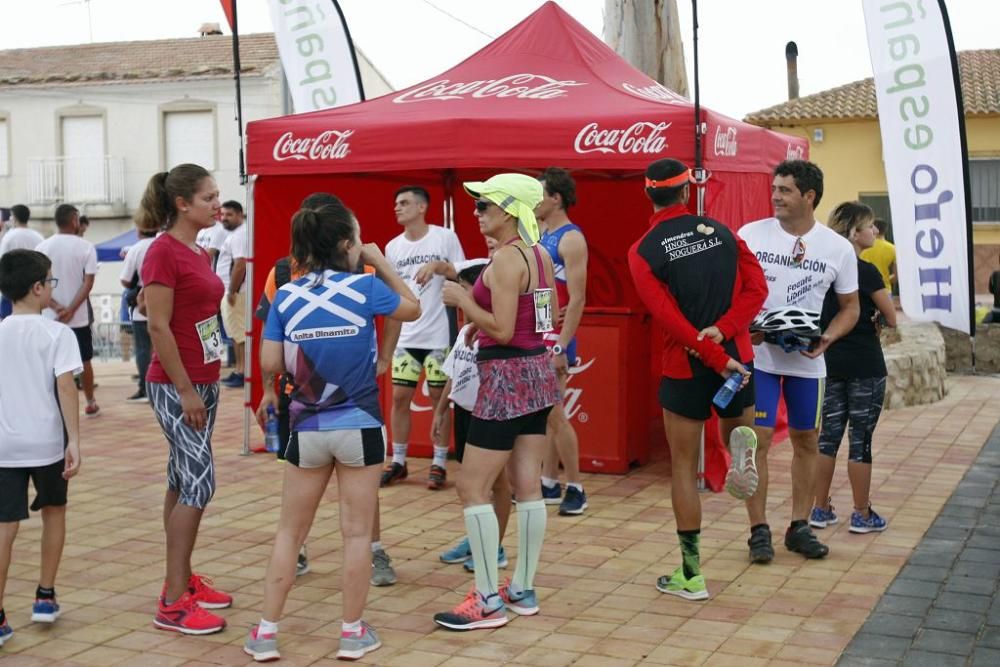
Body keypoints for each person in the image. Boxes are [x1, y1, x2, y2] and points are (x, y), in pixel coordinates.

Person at [244, 203, 420, 662]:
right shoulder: (366, 286)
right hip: (360, 425)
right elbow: (413, 308)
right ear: (347, 244)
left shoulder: (285, 295)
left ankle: (265, 633)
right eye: (358, 238)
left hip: (306, 427)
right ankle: (351, 633)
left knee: (288, 533)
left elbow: (270, 363)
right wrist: (381, 263)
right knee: (357, 535)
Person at [627, 159, 766, 600]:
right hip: (736, 358)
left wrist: (706, 349)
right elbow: (757, 289)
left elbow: (667, 318)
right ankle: (735, 444)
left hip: (686, 366)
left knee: (684, 469)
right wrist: (723, 335)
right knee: (736, 427)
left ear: (648, 195)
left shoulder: (643, 250)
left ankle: (692, 574)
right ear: (687, 192)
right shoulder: (723, 233)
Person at [433, 173, 560, 631]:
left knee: (471, 487)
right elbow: (537, 320)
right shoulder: (540, 254)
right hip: (537, 371)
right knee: (527, 485)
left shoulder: (507, 259)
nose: (477, 212)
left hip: (506, 376)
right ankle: (521, 588)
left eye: (485, 205)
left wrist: (464, 301)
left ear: (509, 210)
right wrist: (481, 322)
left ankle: (487, 599)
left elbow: (504, 329)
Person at [254, 192, 402, 584]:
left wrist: (384, 356)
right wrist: (269, 391)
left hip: (354, 398)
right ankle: (298, 549)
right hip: (301, 401)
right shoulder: (281, 275)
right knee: (301, 484)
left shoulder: (361, 272)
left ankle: (373, 550)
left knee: (361, 483)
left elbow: (398, 313)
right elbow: (269, 336)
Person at [738, 159, 859, 563]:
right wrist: (744, 328)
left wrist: (829, 337)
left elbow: (850, 308)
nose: (775, 196)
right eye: (774, 188)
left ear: (809, 196)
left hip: (809, 362)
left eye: (785, 190)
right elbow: (731, 293)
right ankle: (758, 531)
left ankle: (799, 526)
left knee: (807, 440)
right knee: (757, 440)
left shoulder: (838, 248)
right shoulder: (750, 235)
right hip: (761, 359)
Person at [137, 164, 233, 635]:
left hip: (205, 378)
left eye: (217, 196)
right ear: (182, 204)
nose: (218, 204)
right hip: (179, 385)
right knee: (199, 483)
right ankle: (173, 602)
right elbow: (156, 325)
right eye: (208, 198)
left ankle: (182, 580)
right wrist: (185, 389)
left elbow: (194, 313)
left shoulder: (198, 249)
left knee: (181, 477)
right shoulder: (162, 251)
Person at [0, 250, 82, 647]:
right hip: (48, 442)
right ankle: (45, 596)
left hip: (3, 447)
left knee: (4, 529)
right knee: (54, 512)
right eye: (50, 282)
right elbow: (66, 388)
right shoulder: (58, 334)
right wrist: (76, 441)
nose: (52, 288)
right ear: (37, 289)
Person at [811, 202, 896, 534]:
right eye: (869, 226)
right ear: (853, 233)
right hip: (865, 364)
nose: (874, 231)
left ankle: (819, 509)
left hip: (829, 362)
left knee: (827, 438)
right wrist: (875, 319)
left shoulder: (822, 268)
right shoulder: (865, 271)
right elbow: (890, 317)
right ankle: (861, 514)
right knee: (860, 439)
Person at [383, 185, 466, 490]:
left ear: (422, 207)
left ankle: (439, 462)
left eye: (403, 203)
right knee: (399, 398)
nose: (397, 208)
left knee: (437, 400)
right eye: (395, 203)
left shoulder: (444, 237)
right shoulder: (392, 247)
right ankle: (399, 461)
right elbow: (392, 292)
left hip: (438, 335)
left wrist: (439, 267)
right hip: (406, 335)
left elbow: (463, 273)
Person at [434, 260, 513, 572]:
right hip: (463, 413)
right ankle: (476, 536)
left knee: (498, 484)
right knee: (469, 484)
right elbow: (454, 374)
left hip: (489, 415)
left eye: (466, 292)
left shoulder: (495, 332)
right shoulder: (465, 331)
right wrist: (440, 411)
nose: (461, 299)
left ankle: (495, 547)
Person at [534, 167, 589, 515]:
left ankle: (577, 487)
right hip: (540, 330)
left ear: (556, 198)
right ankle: (549, 482)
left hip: (556, 337)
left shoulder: (571, 238)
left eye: (540, 194)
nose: (534, 200)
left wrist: (559, 345)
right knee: (547, 416)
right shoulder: (541, 233)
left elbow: (579, 298)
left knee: (556, 415)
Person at [36, 204, 100, 418]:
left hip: (49, 315)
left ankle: (52, 404)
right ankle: (90, 402)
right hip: (78, 317)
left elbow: (37, 281)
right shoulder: (85, 247)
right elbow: (88, 282)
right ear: (74, 220)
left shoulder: (42, 247)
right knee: (85, 360)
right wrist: (72, 309)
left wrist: (56, 307)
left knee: (50, 363)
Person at [120, 227, 158, 402]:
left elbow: (126, 280)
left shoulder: (136, 249)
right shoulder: (165, 244)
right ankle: (163, 385)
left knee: (143, 350)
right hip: (165, 306)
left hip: (141, 304)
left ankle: (145, 387)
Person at [218, 201, 247, 388]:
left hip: (236, 292)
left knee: (240, 334)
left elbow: (240, 263)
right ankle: (239, 369)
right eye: (222, 215)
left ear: (239, 214)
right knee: (236, 334)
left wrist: (232, 290)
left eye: (229, 215)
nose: (224, 218)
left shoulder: (240, 235)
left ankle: (242, 371)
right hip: (233, 291)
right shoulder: (237, 235)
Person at [0, 205, 42, 321]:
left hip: (11, 288)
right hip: (33, 287)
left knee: (7, 323)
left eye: (11, 217)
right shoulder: (38, 237)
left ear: (15, 218)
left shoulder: (8, 237)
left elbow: (2, 263)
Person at [859, 218, 896, 294]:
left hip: (863, 288)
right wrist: (885, 280)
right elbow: (896, 276)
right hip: (885, 290)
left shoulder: (863, 245)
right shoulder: (893, 249)